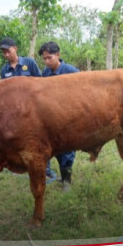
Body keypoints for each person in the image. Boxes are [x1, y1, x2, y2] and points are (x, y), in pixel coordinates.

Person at [39, 41, 80, 190]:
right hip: (52, 118)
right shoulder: (46, 73)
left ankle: (67, 182)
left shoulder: (72, 72)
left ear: (58, 55)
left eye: (49, 57)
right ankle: (62, 178)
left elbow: (82, 96)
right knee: (56, 149)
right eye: (44, 59)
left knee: (68, 149)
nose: (46, 61)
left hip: (69, 118)